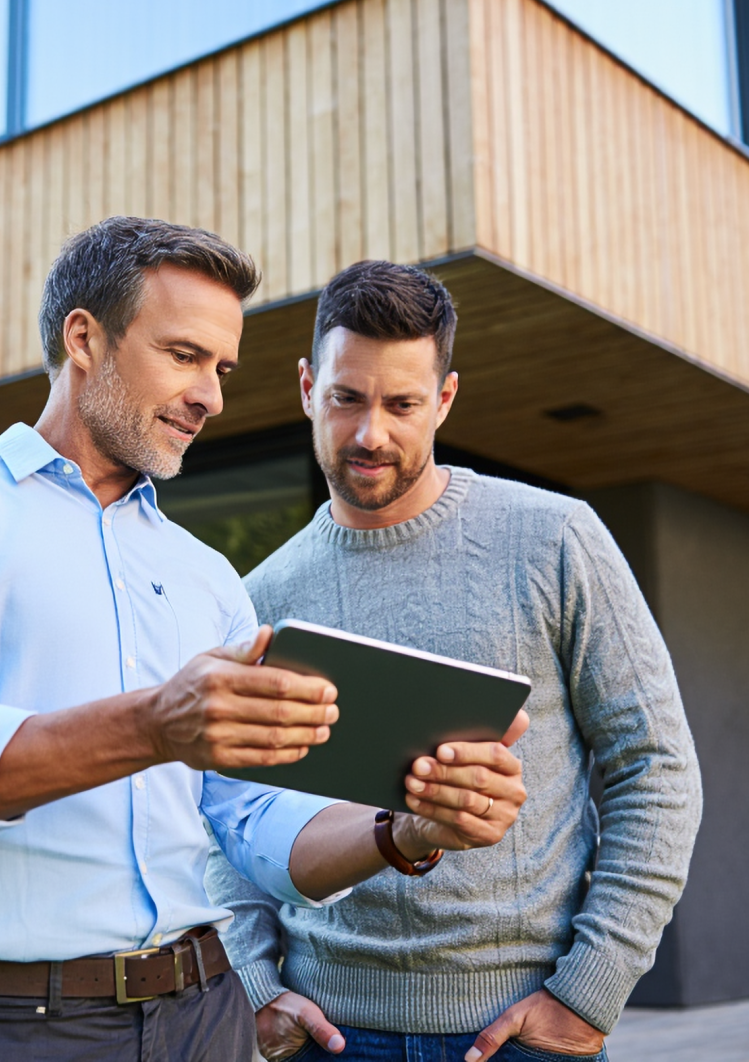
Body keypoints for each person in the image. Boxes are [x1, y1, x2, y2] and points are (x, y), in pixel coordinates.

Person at [0, 219, 531, 1062]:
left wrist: (407, 832)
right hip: (1, 1022)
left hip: (202, 1016)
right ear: (85, 338)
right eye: (184, 356)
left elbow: (254, 817)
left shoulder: (206, 575)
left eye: (222, 368)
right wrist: (155, 726)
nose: (213, 396)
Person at [206, 260, 703, 1062]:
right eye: (346, 398)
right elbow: (226, 814)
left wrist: (589, 992)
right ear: (307, 387)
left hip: (520, 1033)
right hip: (327, 1036)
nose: (372, 433)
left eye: (402, 404)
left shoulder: (556, 539)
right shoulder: (260, 596)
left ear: (443, 399)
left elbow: (657, 767)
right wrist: (256, 988)